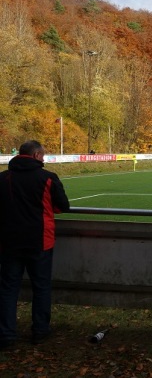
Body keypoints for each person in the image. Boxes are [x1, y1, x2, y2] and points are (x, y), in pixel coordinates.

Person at [0, 140, 70, 349]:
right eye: (43, 154)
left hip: (9, 243)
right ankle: (40, 331)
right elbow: (62, 206)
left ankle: (6, 335)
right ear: (37, 155)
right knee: (41, 287)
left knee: (8, 289)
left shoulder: (3, 178)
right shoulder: (47, 178)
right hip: (39, 242)